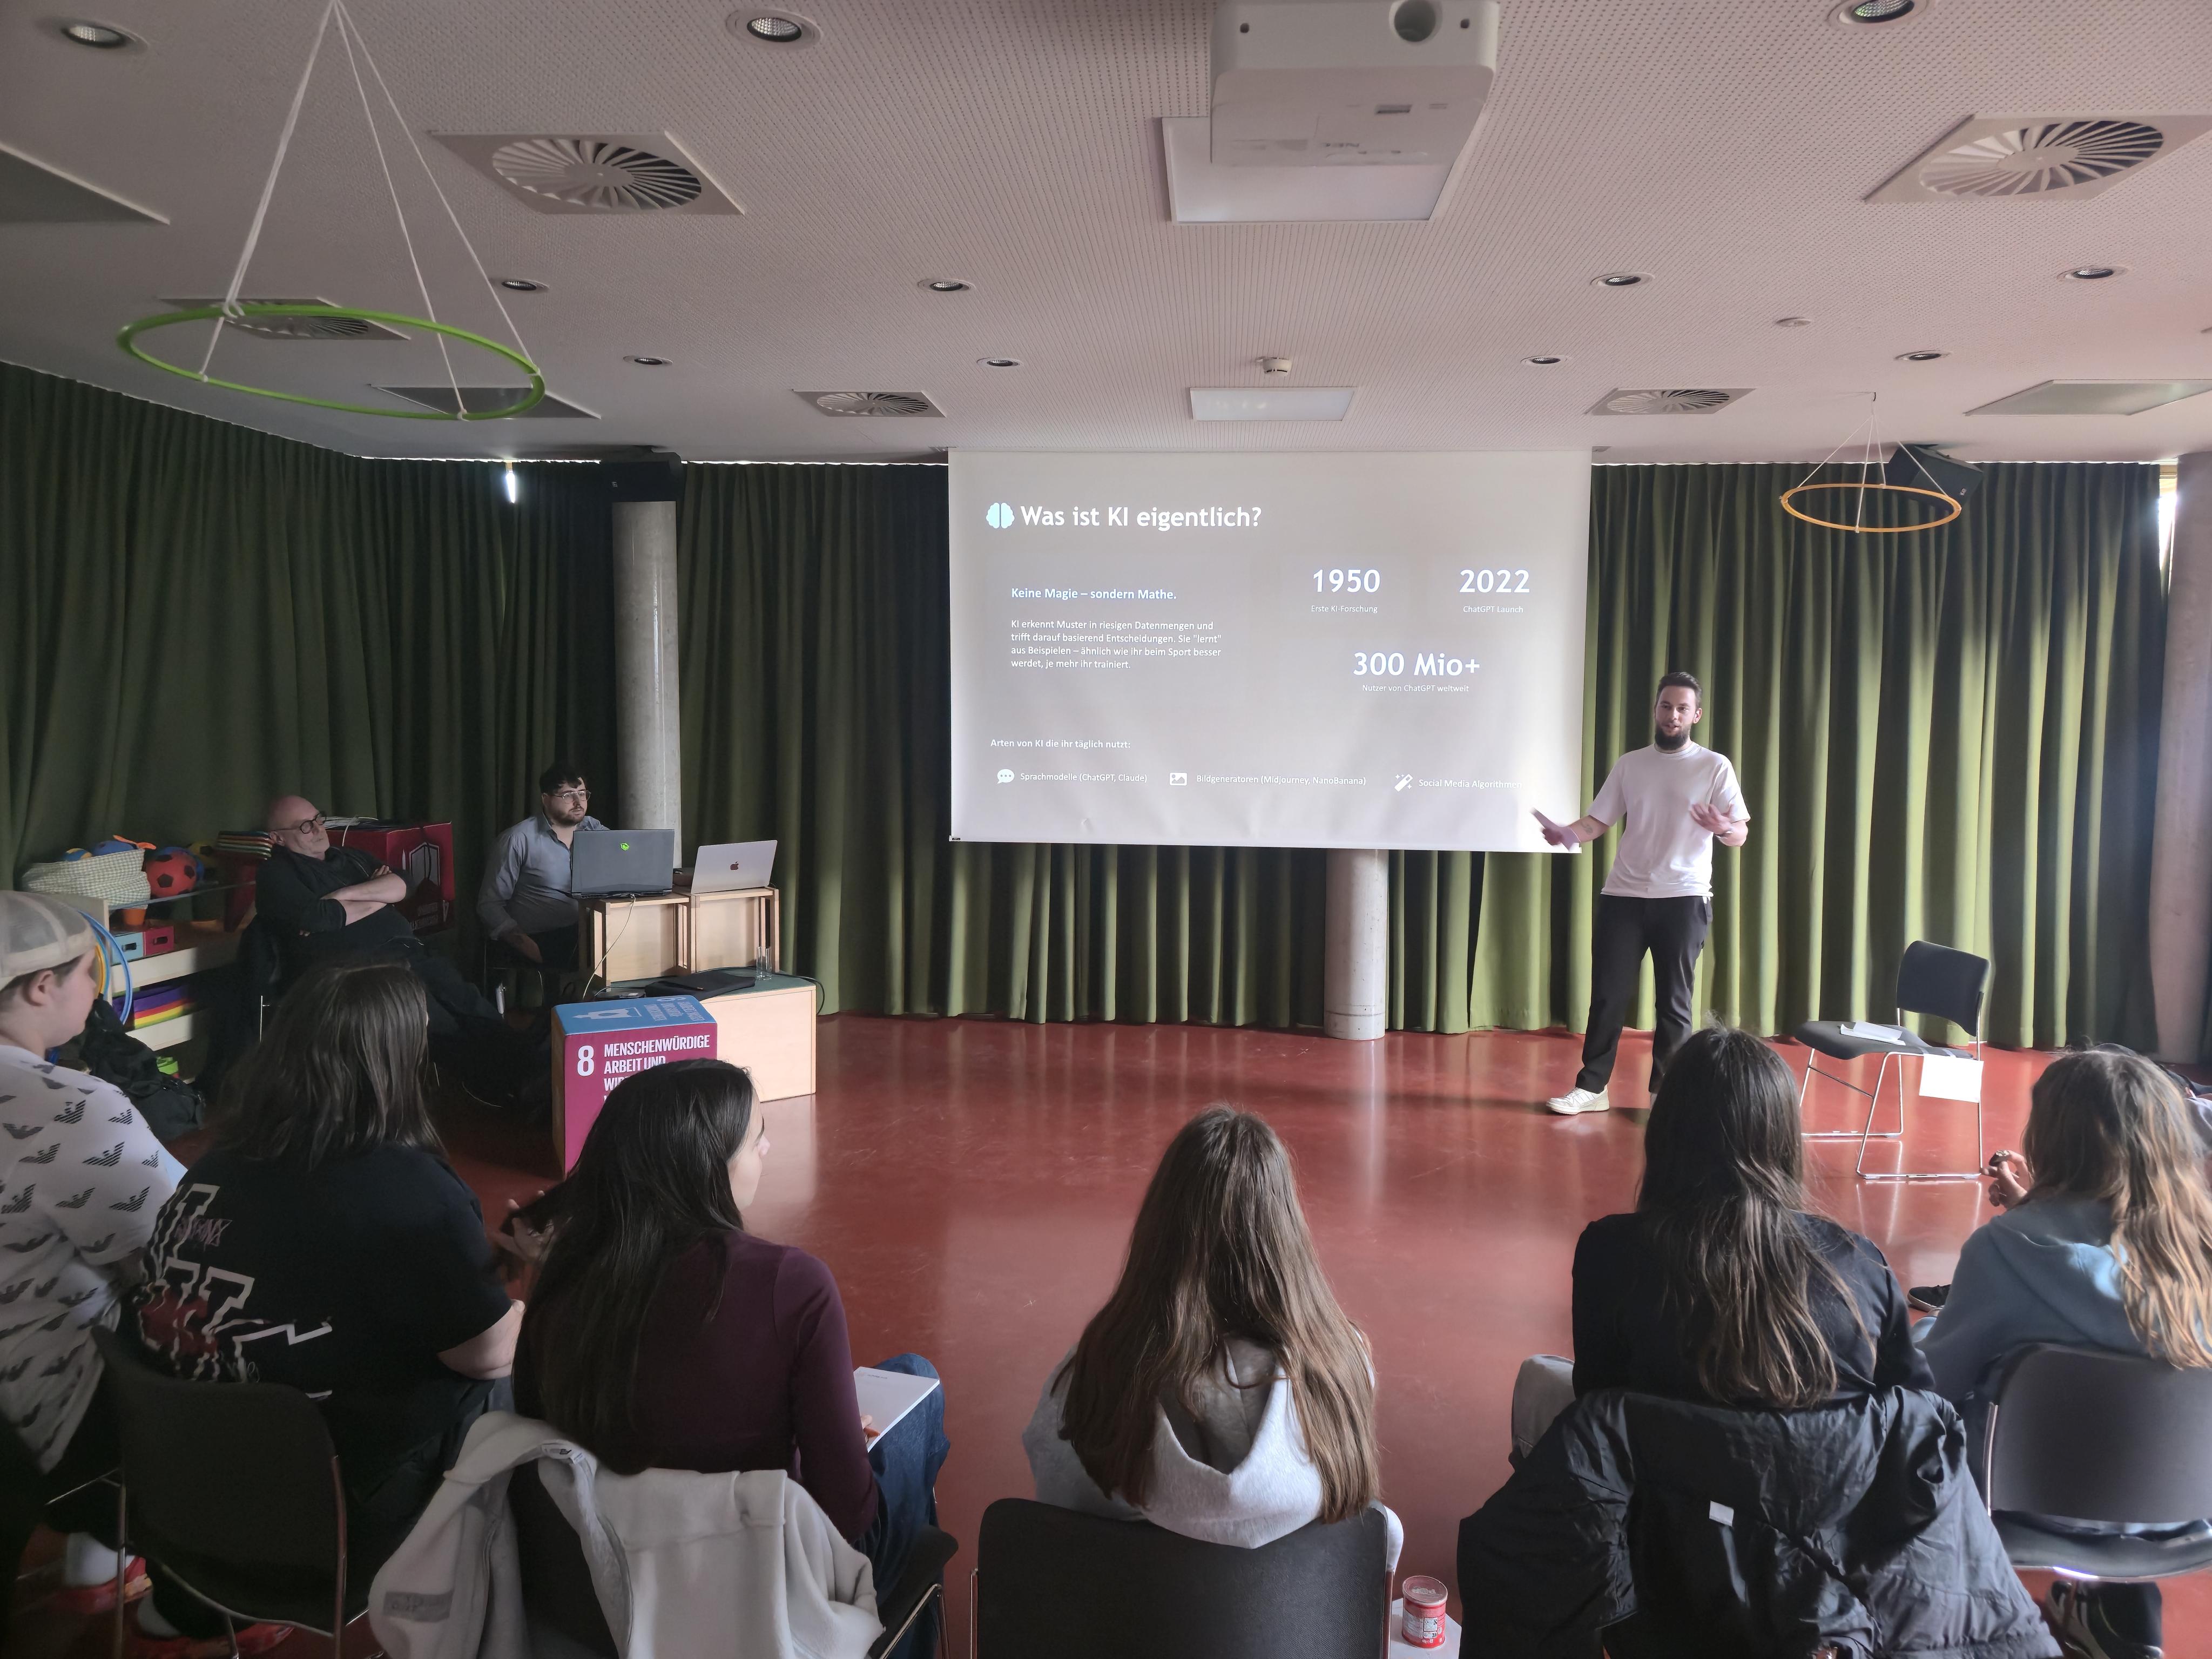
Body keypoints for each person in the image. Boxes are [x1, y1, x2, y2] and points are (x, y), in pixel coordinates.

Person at [130, 959, 518, 1653]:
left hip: (184, 1512)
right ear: (397, 1062)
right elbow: (487, 1353)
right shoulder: (408, 1188)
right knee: (514, 1375)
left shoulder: (214, 1165)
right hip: (326, 1529)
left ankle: (209, 1602)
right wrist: (542, 1291)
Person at [514, 1060, 950, 1658]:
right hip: (759, 1580)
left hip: (604, 1584)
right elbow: (847, 1519)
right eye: (755, 1138)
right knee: (917, 1381)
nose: (767, 1148)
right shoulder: (790, 1285)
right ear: (709, 1166)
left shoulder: (560, 1277)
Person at [1512, 1024, 1931, 1456]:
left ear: (1666, 1133)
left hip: (1656, 1491)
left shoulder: (1608, 1252)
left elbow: (1597, 1399)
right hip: (1818, 1493)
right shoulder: (1860, 1264)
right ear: (1784, 1138)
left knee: (1539, 1376)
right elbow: (1913, 1409)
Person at [1917, 1049, 2212, 1659]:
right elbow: (2115, 1276)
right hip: (2184, 1513)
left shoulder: (2003, 1250)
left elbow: (1932, 1389)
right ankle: (2120, 1614)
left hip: (2027, 1510)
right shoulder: (2200, 1250)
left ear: (2048, 1138)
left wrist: (1922, 1333)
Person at [1023, 1106, 1401, 1566]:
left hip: (1131, 1608)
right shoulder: (1341, 1366)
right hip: (1304, 1612)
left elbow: (1057, 1516)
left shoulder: (1093, 1374)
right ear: (1286, 1233)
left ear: (1160, 1231)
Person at [0, 894, 181, 1628]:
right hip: (57, 1421)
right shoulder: (70, 1106)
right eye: (89, 975)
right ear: (42, 986)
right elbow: (179, 1250)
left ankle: (94, 1563)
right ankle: (196, 1596)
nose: (95, 994)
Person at [1535, 672, 1749, 1115]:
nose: (1673, 715)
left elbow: (1740, 833)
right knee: (1608, 997)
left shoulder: (1714, 766)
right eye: (1666, 706)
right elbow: (1597, 822)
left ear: (1696, 715)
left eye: (1682, 709)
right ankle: (1592, 1088)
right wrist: (1566, 833)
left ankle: (1664, 1097)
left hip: (1684, 898)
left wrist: (1723, 826)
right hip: (1624, 896)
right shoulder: (1631, 764)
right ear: (1655, 710)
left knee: (1674, 1005)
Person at [255, 795, 530, 1095]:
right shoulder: (275, 874)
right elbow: (320, 917)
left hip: (408, 952)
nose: (319, 828)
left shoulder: (351, 858)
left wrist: (342, 895)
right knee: (437, 1021)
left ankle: (532, 1067)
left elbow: (405, 883)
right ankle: (511, 1083)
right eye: (306, 826)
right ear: (277, 838)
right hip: (358, 971)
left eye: (319, 819)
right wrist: (379, 894)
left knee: (470, 1003)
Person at [477, 763, 603, 975]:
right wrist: (527, 945)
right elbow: (489, 905)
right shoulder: (517, 840)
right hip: (539, 939)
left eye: (582, 794)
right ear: (545, 799)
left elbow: (625, 852)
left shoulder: (593, 829)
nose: (578, 802)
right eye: (568, 795)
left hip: (586, 932)